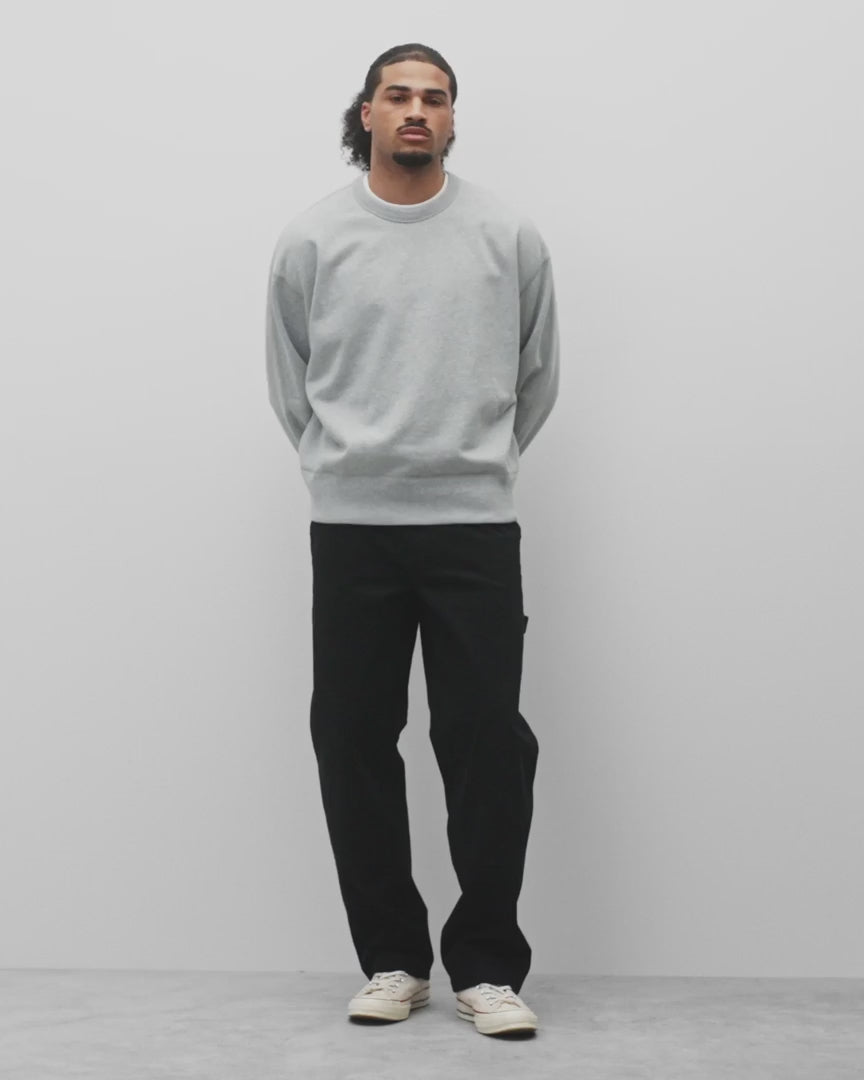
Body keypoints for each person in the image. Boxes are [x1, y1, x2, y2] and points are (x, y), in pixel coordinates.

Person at [265, 42, 560, 1037]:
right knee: (352, 740)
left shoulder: (505, 235)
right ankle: (394, 960)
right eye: (398, 95)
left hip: (473, 527)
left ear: (452, 117)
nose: (417, 110)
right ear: (368, 113)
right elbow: (290, 379)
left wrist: (474, 464)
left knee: (487, 745)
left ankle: (487, 966)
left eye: (435, 97)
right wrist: (346, 467)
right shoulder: (314, 238)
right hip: (354, 529)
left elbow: (536, 376)